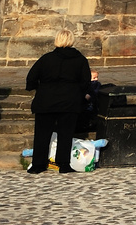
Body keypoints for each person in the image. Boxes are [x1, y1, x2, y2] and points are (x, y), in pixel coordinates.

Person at [26, 28, 91, 174]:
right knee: (65, 134)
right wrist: (78, 93)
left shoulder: (46, 58)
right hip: (69, 100)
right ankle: (63, 164)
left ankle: (38, 164)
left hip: (46, 100)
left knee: (42, 134)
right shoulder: (80, 59)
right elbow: (86, 81)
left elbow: (31, 78)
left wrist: (39, 88)